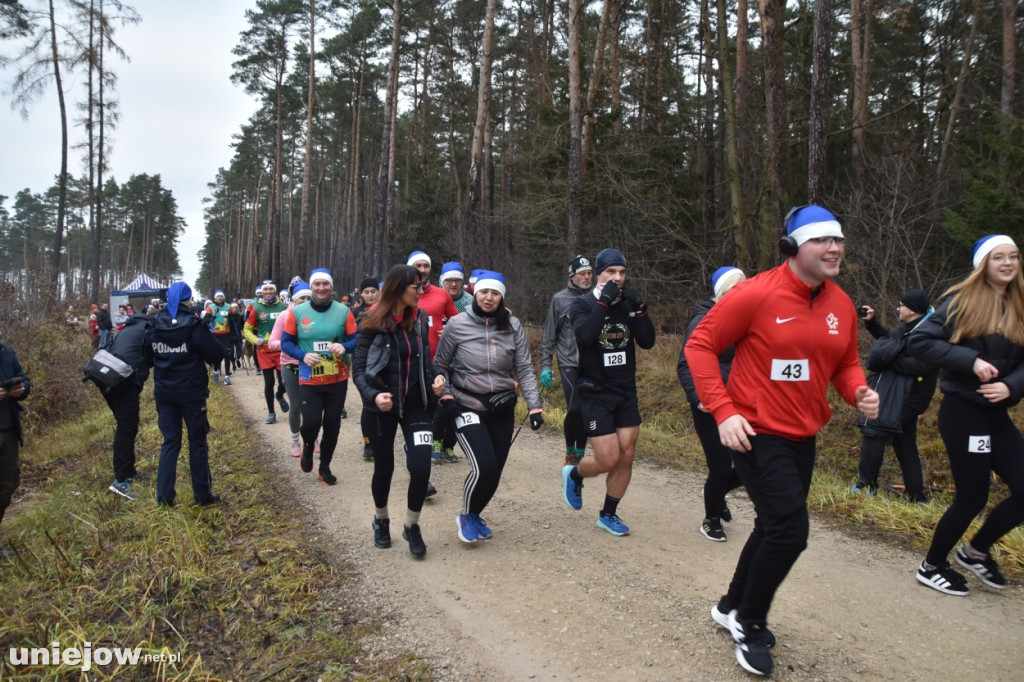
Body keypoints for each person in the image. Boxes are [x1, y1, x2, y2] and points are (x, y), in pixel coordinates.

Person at [685, 205, 878, 676]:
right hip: (754, 431)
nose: (834, 249)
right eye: (822, 241)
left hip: (803, 434)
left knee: (772, 525)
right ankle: (749, 624)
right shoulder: (755, 294)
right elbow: (699, 347)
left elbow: (844, 362)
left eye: (839, 240)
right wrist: (724, 411)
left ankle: (730, 604)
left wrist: (859, 392)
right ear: (794, 247)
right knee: (791, 531)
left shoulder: (841, 304)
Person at [907, 234, 1024, 596]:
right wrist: (971, 361)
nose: (1008, 263)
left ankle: (975, 551)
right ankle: (932, 565)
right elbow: (921, 340)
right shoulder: (962, 302)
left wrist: (1012, 387)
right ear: (983, 265)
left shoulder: (1020, 304)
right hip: (964, 413)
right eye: (998, 257)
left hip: (997, 414)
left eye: (1014, 257)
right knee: (973, 496)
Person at [431, 271, 544, 543]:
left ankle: (476, 512)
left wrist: (534, 407)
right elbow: (439, 365)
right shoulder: (457, 324)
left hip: (502, 407)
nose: (489, 298)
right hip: (467, 404)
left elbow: (525, 368)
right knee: (484, 466)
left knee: (496, 470)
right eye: (484, 292)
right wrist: (445, 396)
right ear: (475, 293)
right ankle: (467, 515)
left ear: (502, 297)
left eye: (495, 293)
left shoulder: (513, 325)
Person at [560, 248, 656, 537]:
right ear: (599, 274)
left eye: (622, 272)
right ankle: (575, 474)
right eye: (611, 272)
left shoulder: (626, 303)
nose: (617, 277)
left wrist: (640, 309)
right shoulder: (582, 304)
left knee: (626, 454)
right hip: (594, 391)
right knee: (608, 458)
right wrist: (603, 302)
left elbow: (648, 341)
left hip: (625, 390)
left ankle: (608, 513)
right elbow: (585, 337)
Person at [352, 264, 436, 558]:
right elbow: (359, 371)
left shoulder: (420, 319)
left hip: (416, 406)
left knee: (421, 467)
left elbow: (425, 360)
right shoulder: (369, 322)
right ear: (399, 288)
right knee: (384, 468)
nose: (421, 290)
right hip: (381, 409)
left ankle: (412, 525)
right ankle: (381, 519)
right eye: (416, 286)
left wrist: (435, 378)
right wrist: (374, 396)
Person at [677, 266, 747, 542]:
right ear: (720, 294)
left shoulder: (748, 319)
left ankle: (718, 494)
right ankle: (711, 520)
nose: (741, 293)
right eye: (734, 288)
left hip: (742, 402)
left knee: (751, 464)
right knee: (720, 466)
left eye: (744, 286)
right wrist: (698, 397)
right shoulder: (702, 321)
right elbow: (685, 365)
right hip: (710, 404)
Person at [144, 281, 226, 507]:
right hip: (192, 393)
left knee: (170, 442)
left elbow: (145, 355)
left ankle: (164, 497)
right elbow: (216, 353)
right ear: (188, 300)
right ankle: (202, 494)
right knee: (197, 441)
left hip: (165, 393)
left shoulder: (154, 323)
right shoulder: (193, 323)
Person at [852, 289, 938, 502]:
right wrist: (871, 323)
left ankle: (866, 486)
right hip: (900, 396)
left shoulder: (929, 332)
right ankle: (918, 497)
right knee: (905, 443)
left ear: (913, 310)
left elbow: (921, 365)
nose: (898, 308)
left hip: (910, 398)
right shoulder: (910, 328)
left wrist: (884, 359)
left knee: (876, 430)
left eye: (902, 305)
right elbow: (890, 340)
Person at [281, 269, 358, 485]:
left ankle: (324, 467)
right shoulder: (298, 312)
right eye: (317, 284)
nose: (321, 288)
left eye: (326, 284)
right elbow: (286, 343)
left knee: (332, 425)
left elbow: (357, 340)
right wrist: (303, 356)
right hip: (309, 380)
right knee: (312, 422)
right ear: (311, 287)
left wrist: (344, 346)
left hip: (338, 379)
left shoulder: (344, 311)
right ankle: (307, 446)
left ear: (332, 287)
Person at [408, 250, 459, 495]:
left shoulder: (441, 295)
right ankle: (421, 470)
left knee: (444, 409)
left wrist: (447, 329)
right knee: (419, 421)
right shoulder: (401, 296)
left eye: (426, 266)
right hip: (409, 367)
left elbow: (459, 323)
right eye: (418, 265)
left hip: (436, 366)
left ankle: (417, 450)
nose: (423, 269)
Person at [540, 254, 593, 466]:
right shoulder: (559, 299)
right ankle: (570, 449)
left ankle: (580, 452)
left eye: (590, 273)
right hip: (569, 361)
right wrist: (545, 366)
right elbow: (548, 337)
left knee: (587, 409)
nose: (587, 277)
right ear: (572, 276)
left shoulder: (597, 297)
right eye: (582, 273)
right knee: (574, 408)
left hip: (592, 362)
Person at [100, 309, 151, 501]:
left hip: (104, 373)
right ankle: (121, 480)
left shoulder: (130, 327)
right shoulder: (148, 329)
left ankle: (128, 472)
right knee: (127, 427)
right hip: (120, 378)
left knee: (126, 425)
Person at [270, 281, 312, 457]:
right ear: (294, 299)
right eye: (302, 298)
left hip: (310, 365)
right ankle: (295, 440)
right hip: (290, 365)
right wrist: (291, 344)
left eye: (308, 297)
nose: (305, 300)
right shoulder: (285, 316)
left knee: (311, 406)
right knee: (295, 406)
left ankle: (312, 437)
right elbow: (272, 343)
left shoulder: (316, 315)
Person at [244, 280, 289, 423]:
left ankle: (280, 395)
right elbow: (247, 328)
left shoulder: (283, 306)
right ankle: (271, 413)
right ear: (262, 292)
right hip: (264, 350)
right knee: (269, 382)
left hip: (281, 349)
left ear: (274, 291)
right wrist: (254, 339)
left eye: (271, 289)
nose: (268, 292)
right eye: (266, 289)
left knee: (284, 381)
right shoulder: (256, 308)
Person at [0, 343, 29, 527]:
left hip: (8, 431)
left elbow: (24, 379)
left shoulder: (6, 351)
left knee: (7, 485)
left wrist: (22, 389)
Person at [352, 276, 380, 461]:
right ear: (361, 294)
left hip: (381, 362)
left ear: (379, 292)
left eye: (373, 291)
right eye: (366, 292)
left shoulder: (386, 310)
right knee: (367, 406)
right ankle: (368, 442)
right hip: (363, 360)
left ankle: (380, 440)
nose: (370, 295)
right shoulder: (356, 313)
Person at [205, 290, 235, 385]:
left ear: (223, 297)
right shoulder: (211, 307)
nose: (219, 298)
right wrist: (210, 319)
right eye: (218, 296)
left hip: (226, 334)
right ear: (215, 298)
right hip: (214, 334)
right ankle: (216, 372)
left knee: (227, 354)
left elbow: (234, 319)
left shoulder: (229, 307)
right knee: (217, 355)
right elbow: (205, 320)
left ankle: (226, 376)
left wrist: (233, 319)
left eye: (221, 296)